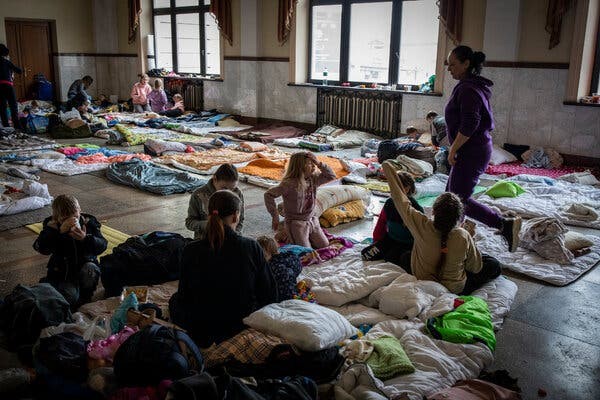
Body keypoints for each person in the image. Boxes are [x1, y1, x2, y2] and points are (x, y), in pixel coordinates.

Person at [169, 190, 277, 347]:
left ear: (208, 214)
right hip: (240, 322)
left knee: (174, 300)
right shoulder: (250, 246)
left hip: (199, 324)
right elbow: (269, 294)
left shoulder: (190, 250)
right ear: (235, 216)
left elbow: (184, 295)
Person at [382, 161, 501, 295]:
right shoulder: (462, 235)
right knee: (493, 264)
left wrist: (387, 166)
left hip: (424, 280)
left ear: (433, 211)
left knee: (406, 256)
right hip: (454, 288)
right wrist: (470, 238)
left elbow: (401, 201)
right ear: (458, 216)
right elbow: (475, 267)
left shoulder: (422, 225)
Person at [445, 45, 521, 251]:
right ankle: (452, 237)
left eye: (453, 64)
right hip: (473, 148)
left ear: (466, 63)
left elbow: (470, 123)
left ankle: (502, 224)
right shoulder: (471, 85)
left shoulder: (469, 89)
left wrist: (453, 150)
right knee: (451, 197)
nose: (449, 68)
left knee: (458, 200)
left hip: (472, 150)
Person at [33, 194, 107, 308]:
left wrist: (85, 239)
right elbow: (41, 248)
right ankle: (53, 287)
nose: (72, 221)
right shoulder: (51, 225)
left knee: (91, 269)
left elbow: (102, 245)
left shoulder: (88, 222)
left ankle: (85, 298)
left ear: (80, 211)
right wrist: (57, 233)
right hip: (63, 272)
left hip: (85, 266)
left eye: (75, 217)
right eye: (65, 219)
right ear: (56, 217)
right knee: (70, 298)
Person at [264, 151, 336, 249]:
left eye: (313, 163)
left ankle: (290, 236)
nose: (314, 166)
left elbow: (331, 176)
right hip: (296, 223)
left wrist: (319, 163)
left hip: (312, 219)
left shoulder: (313, 179)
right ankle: (286, 233)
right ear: (300, 167)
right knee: (305, 251)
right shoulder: (289, 184)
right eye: (310, 164)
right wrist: (275, 215)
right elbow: (268, 194)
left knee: (324, 245)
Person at [362, 171, 423, 266]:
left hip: (407, 243)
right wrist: (376, 242)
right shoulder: (389, 203)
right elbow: (381, 224)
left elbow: (421, 233)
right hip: (390, 238)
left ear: (406, 189)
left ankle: (404, 256)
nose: (390, 190)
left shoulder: (415, 208)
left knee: (393, 259)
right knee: (366, 254)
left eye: (394, 188)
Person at [186, 163, 245, 240]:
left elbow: (240, 220)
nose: (229, 192)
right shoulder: (198, 195)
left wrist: (234, 236)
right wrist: (210, 225)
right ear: (215, 179)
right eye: (224, 188)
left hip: (231, 240)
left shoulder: (237, 193)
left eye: (232, 188)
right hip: (205, 240)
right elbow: (189, 222)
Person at [257, 235, 302, 301]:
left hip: (281, 296)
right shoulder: (287, 257)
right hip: (293, 291)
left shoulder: (273, 265)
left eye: (263, 255)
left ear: (270, 252)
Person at [0, 44, 22, 130]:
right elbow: (19, 71)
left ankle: (6, 126)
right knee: (13, 106)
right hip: (8, 86)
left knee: (2, 107)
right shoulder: (6, 62)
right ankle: (17, 125)